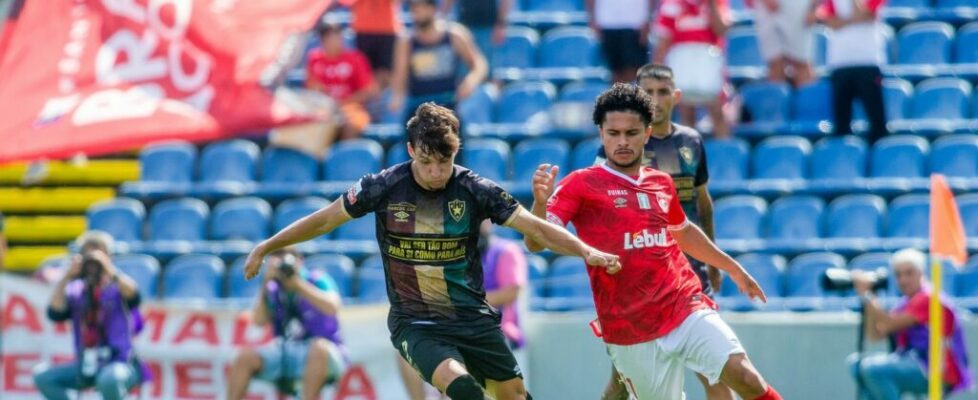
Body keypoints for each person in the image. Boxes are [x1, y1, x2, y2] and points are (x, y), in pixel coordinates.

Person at [242, 102, 621, 400]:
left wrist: (585, 250)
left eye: (445, 162)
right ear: (410, 150)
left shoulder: (475, 188)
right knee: (464, 390)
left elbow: (535, 228)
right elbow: (325, 220)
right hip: (416, 323)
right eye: (426, 162)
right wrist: (269, 244)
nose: (437, 172)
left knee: (514, 396)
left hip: (473, 320)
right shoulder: (382, 187)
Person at [526, 83, 781, 400]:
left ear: (647, 133)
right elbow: (536, 242)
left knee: (744, 376)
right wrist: (539, 203)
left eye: (631, 133)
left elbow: (682, 230)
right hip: (630, 327)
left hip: (683, 304)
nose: (622, 141)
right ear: (601, 134)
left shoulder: (660, 182)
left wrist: (733, 267)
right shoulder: (581, 184)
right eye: (613, 133)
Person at [595, 64, 731, 400]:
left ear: (676, 96)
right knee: (623, 382)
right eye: (649, 92)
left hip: (689, 272)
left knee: (715, 373)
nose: (656, 100)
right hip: (639, 274)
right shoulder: (620, 148)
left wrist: (714, 261)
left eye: (663, 91)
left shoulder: (692, 141)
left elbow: (703, 202)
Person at [397, 220, 529, 399]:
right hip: (452, 329)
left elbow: (511, 293)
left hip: (496, 332)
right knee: (408, 351)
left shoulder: (505, 251)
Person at [33, 231, 149, 400]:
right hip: (87, 365)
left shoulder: (117, 286)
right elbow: (55, 313)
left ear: (109, 256)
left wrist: (108, 268)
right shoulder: (75, 290)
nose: (93, 262)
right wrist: (67, 276)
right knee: (43, 377)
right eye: (88, 255)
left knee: (109, 379)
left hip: (121, 362)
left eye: (99, 254)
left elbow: (135, 296)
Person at [847, 248, 974, 400]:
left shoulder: (928, 297)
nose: (903, 280)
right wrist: (867, 302)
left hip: (937, 369)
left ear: (921, 273)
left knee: (872, 369)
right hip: (915, 362)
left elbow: (889, 322)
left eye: (909, 273)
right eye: (898, 275)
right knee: (857, 364)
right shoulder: (905, 303)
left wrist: (867, 295)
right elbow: (876, 334)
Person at [227, 248, 346, 400]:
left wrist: (298, 285)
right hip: (287, 351)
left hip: (327, 351)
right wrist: (265, 283)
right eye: (277, 257)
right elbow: (258, 321)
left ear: (300, 261)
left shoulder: (317, 279)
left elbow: (333, 307)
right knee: (244, 357)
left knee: (318, 348)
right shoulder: (273, 288)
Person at [389, 0, 488, 123]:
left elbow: (479, 64)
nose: (416, 13)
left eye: (420, 8)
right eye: (413, 9)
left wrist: (470, 81)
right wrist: (397, 96)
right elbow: (400, 77)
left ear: (432, 9)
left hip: (449, 109)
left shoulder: (455, 35)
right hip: (418, 110)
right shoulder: (406, 42)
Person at [654, 0, 731, 138]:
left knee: (717, 113)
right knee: (687, 114)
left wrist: (712, 4)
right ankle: (689, 156)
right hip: (683, 64)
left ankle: (724, 154)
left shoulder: (715, 3)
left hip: (709, 65)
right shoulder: (672, 4)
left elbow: (721, 30)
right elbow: (664, 40)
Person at [819, 0, 889, 144]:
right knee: (841, 125)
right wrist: (853, 19)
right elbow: (830, 22)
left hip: (868, 61)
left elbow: (866, 14)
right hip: (840, 63)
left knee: (877, 122)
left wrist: (848, 17)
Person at [306, 22, 379, 141]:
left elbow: (368, 91)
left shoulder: (356, 58)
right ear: (322, 40)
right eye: (329, 36)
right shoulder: (314, 59)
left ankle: (345, 159)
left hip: (352, 109)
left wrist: (342, 104)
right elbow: (311, 89)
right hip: (323, 110)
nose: (334, 39)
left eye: (337, 35)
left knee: (350, 124)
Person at [336, 0, 404, 89]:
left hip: (387, 30)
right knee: (364, 71)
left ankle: (386, 99)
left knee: (386, 72)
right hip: (363, 30)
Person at [749, 0, 818, 86]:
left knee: (801, 62)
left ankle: (808, 99)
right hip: (766, 10)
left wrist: (813, 8)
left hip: (800, 8)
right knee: (775, 62)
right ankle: (776, 98)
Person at [586, 0, 657, 83]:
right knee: (614, 71)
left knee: (634, 70)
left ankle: (631, 95)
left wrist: (649, 18)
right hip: (607, 23)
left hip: (636, 23)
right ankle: (619, 95)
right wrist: (592, 18)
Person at [440, 0, 513, 70]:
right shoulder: (459, 34)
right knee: (462, 73)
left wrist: (501, 24)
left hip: (489, 29)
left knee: (490, 72)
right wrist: (441, 20)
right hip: (464, 30)